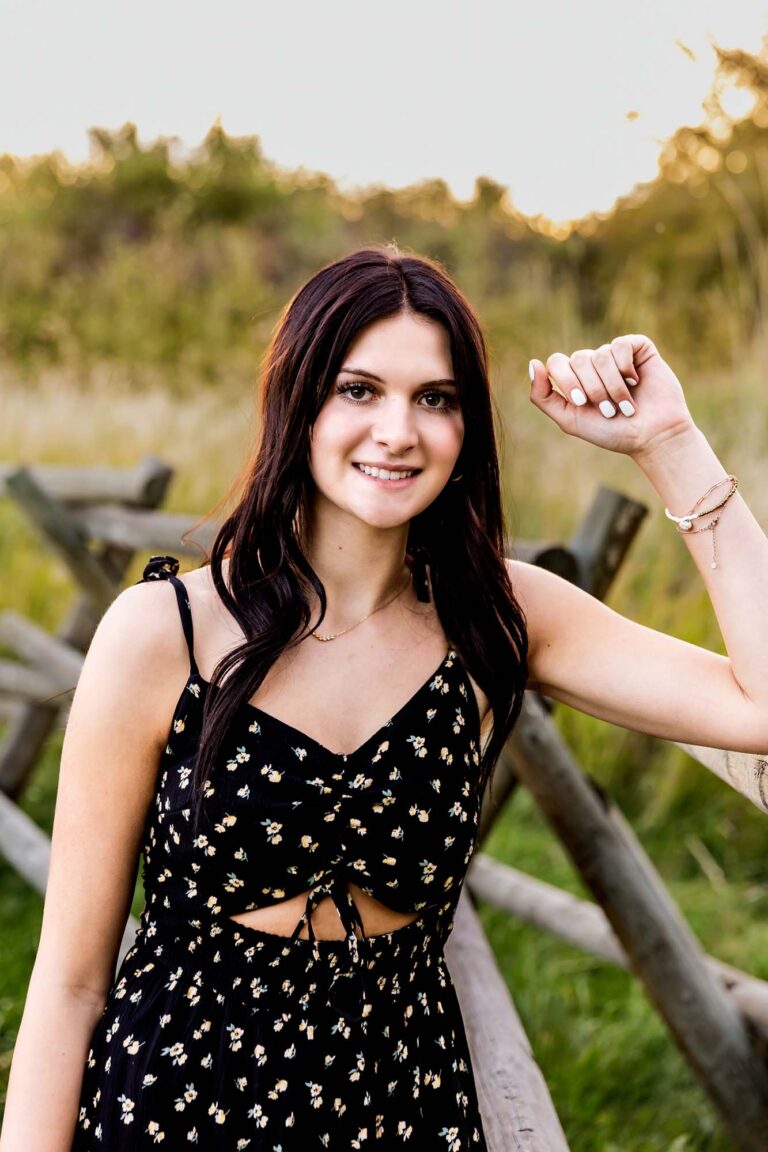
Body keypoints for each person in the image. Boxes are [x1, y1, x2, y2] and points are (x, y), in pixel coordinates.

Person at [2, 245, 767, 1151]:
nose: (399, 431)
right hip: (175, 1106)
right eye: (358, 390)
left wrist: (671, 447)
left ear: (467, 424)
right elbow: (72, 986)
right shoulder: (163, 632)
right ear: (300, 401)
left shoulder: (499, 618)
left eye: (435, 398)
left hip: (399, 1113)